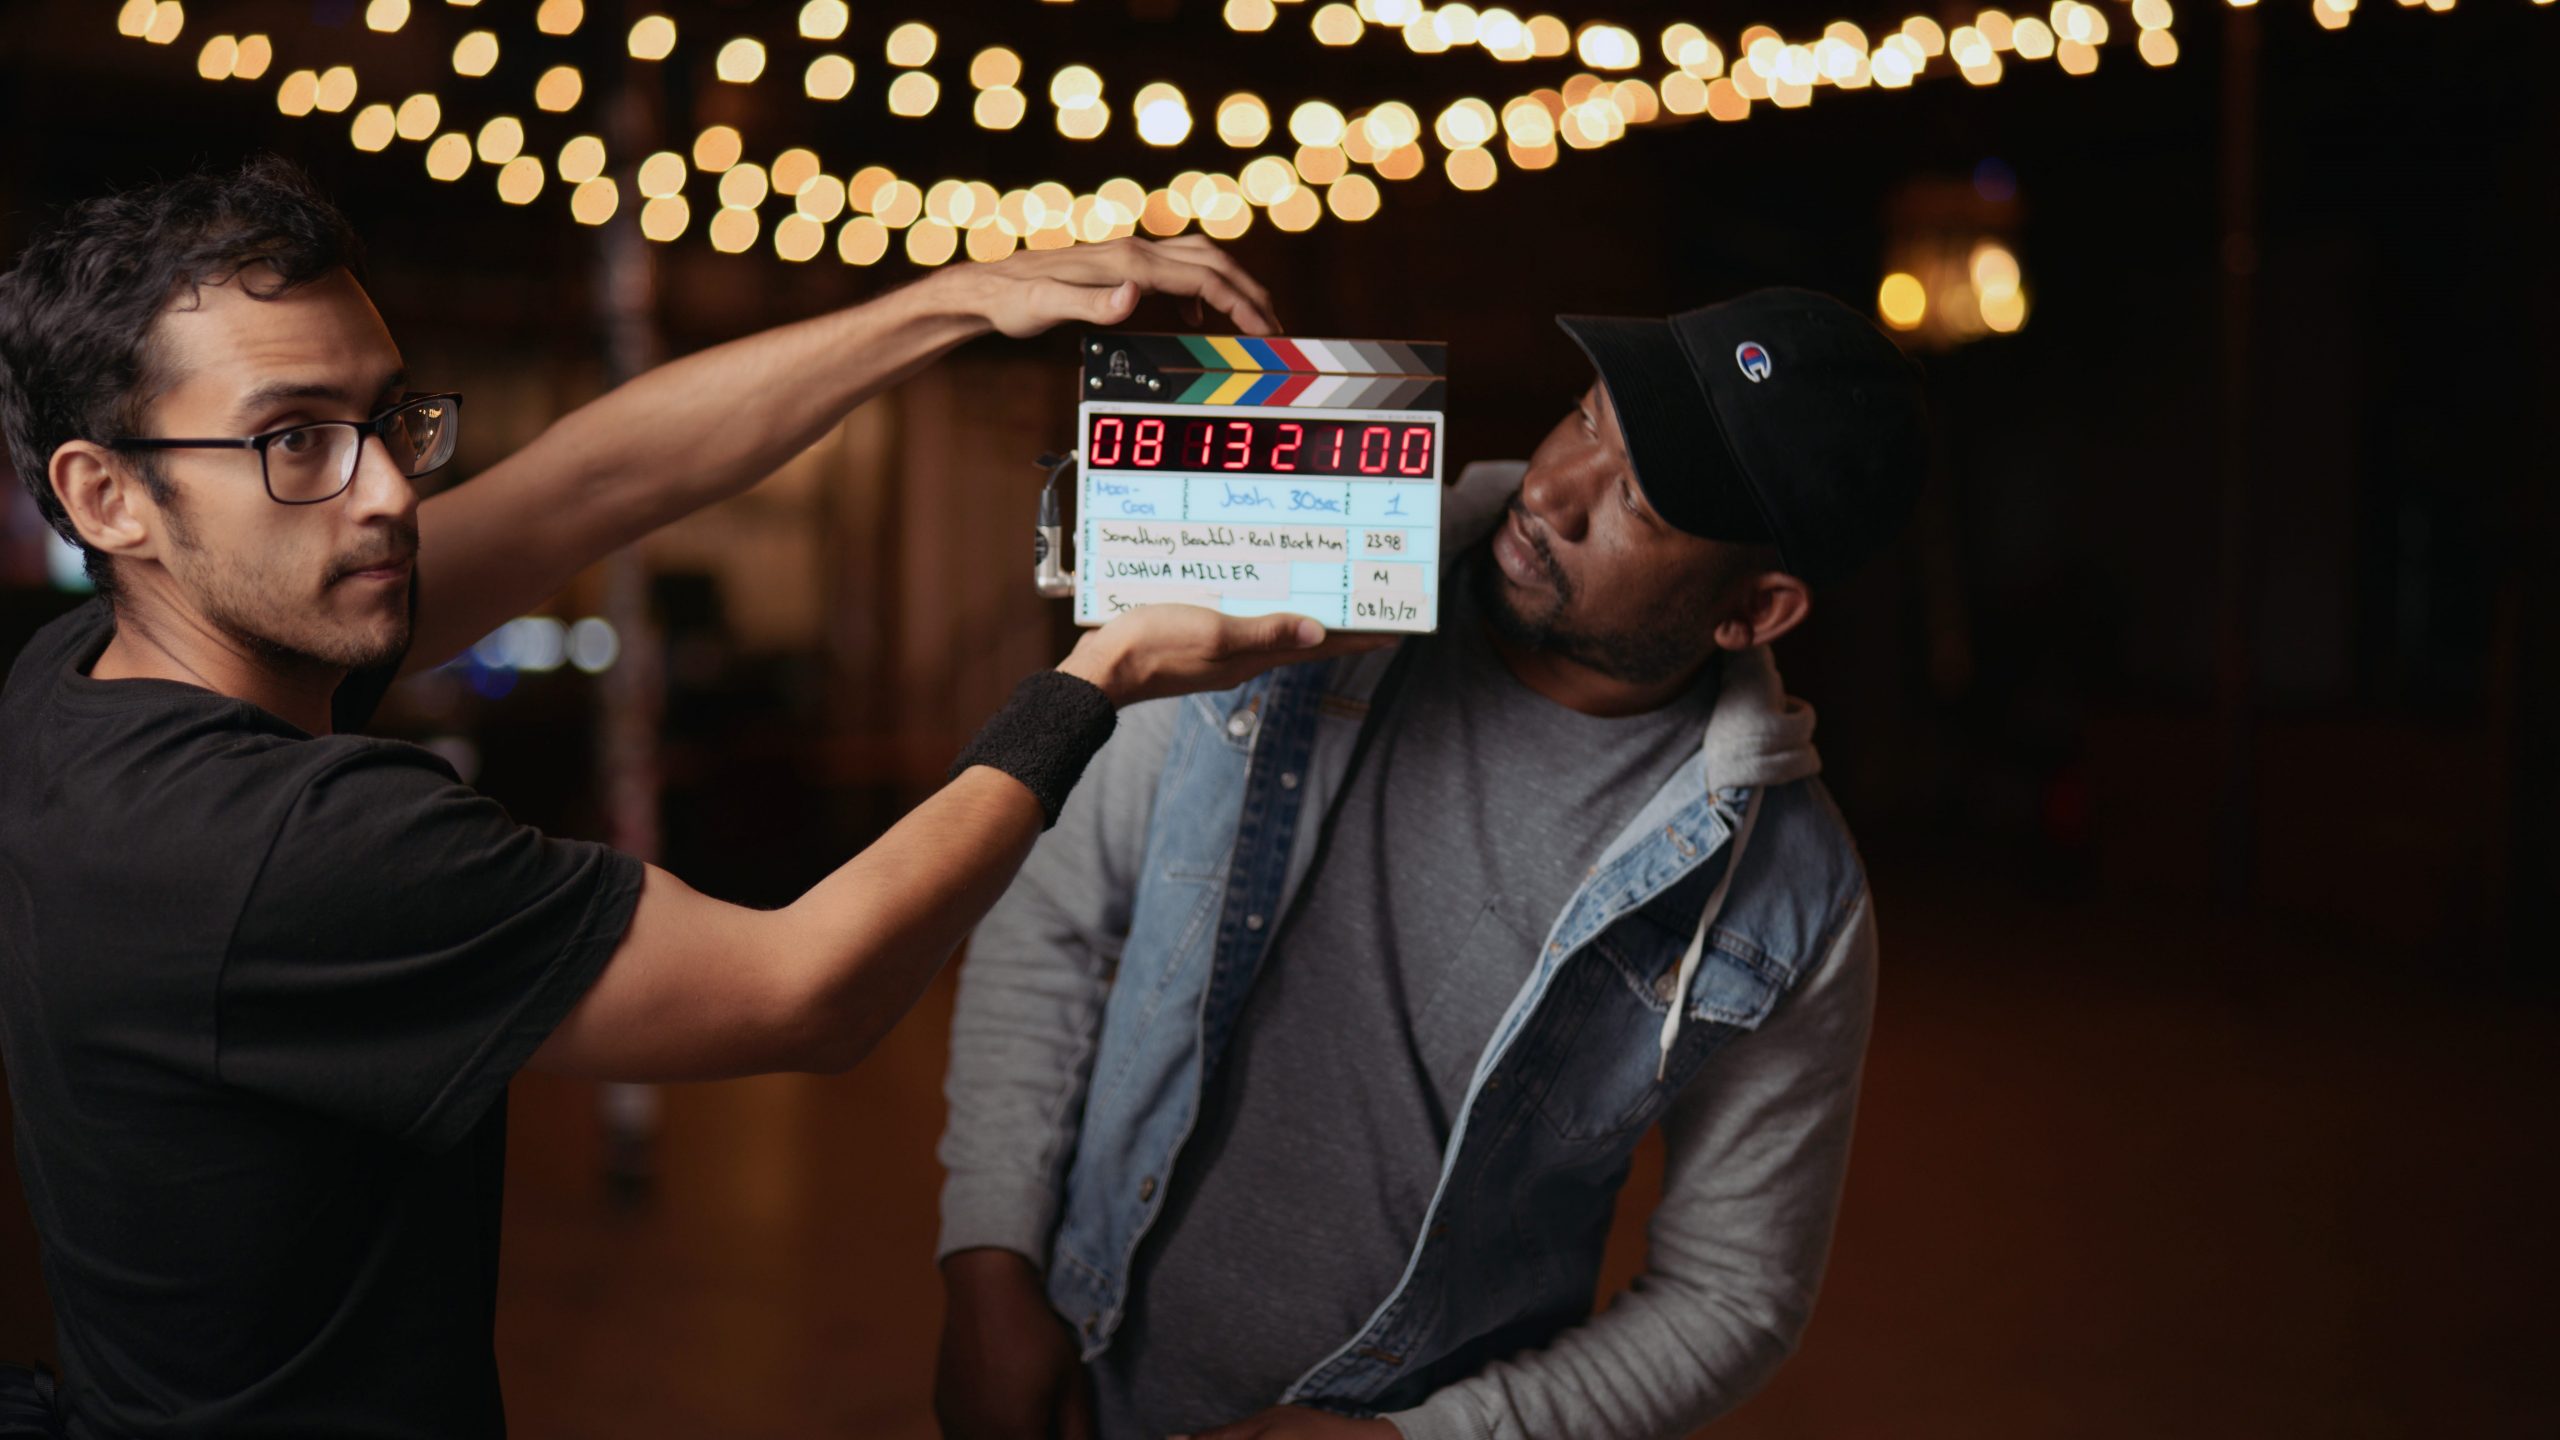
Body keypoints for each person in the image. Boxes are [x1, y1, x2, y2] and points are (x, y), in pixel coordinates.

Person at [0, 155, 1371, 1436]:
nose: (387, 498)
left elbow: (595, 480)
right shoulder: (283, 847)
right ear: (105, 494)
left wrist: (950, 300)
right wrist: (1098, 676)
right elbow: (809, 987)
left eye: (386, 420)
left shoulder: (83, 677)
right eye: (294, 440)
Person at [934, 288, 1931, 1440]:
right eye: (1587, 417)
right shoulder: (1288, 571)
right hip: (1080, 1364)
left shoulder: (1792, 900)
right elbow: (1059, 917)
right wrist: (988, 1264)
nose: (1552, 489)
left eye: (1637, 502)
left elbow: (1735, 1293)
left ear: (1753, 611)